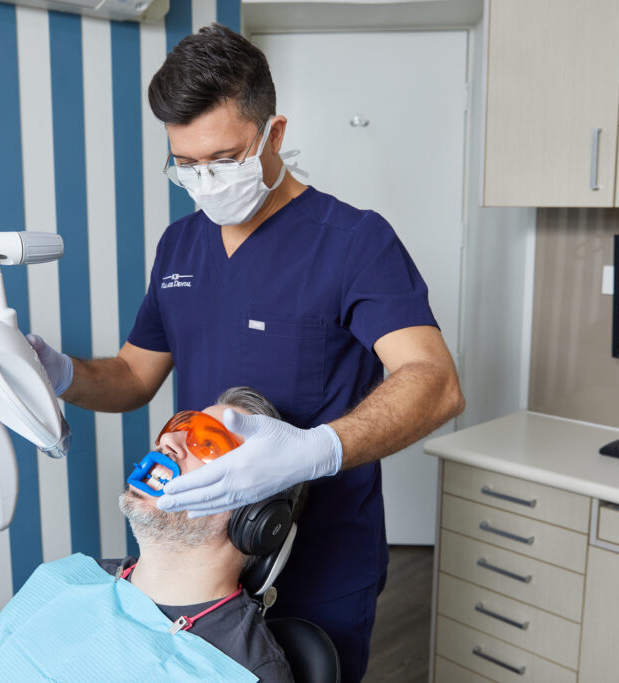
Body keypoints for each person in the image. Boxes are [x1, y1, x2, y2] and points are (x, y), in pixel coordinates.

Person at [28, 23, 465, 681]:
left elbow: (435, 381)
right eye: (187, 163)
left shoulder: (353, 242)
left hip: (320, 555)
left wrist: (315, 448)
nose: (205, 179)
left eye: (225, 158)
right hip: (198, 553)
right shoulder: (180, 246)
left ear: (274, 133)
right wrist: (56, 372)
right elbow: (130, 378)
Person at [0, 387, 296, 682]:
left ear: (254, 516)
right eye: (178, 427)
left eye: (208, 443)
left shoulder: (246, 670)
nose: (168, 442)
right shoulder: (65, 578)